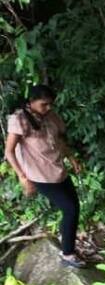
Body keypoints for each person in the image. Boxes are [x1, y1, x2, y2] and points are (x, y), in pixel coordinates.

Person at [5, 84, 86, 268]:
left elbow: (59, 140)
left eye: (50, 104)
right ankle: (68, 253)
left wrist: (72, 158)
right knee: (70, 209)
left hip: (58, 170)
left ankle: (66, 243)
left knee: (74, 207)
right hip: (39, 175)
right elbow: (9, 151)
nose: (48, 108)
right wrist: (22, 176)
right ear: (32, 102)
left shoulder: (51, 116)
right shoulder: (19, 119)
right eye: (44, 104)